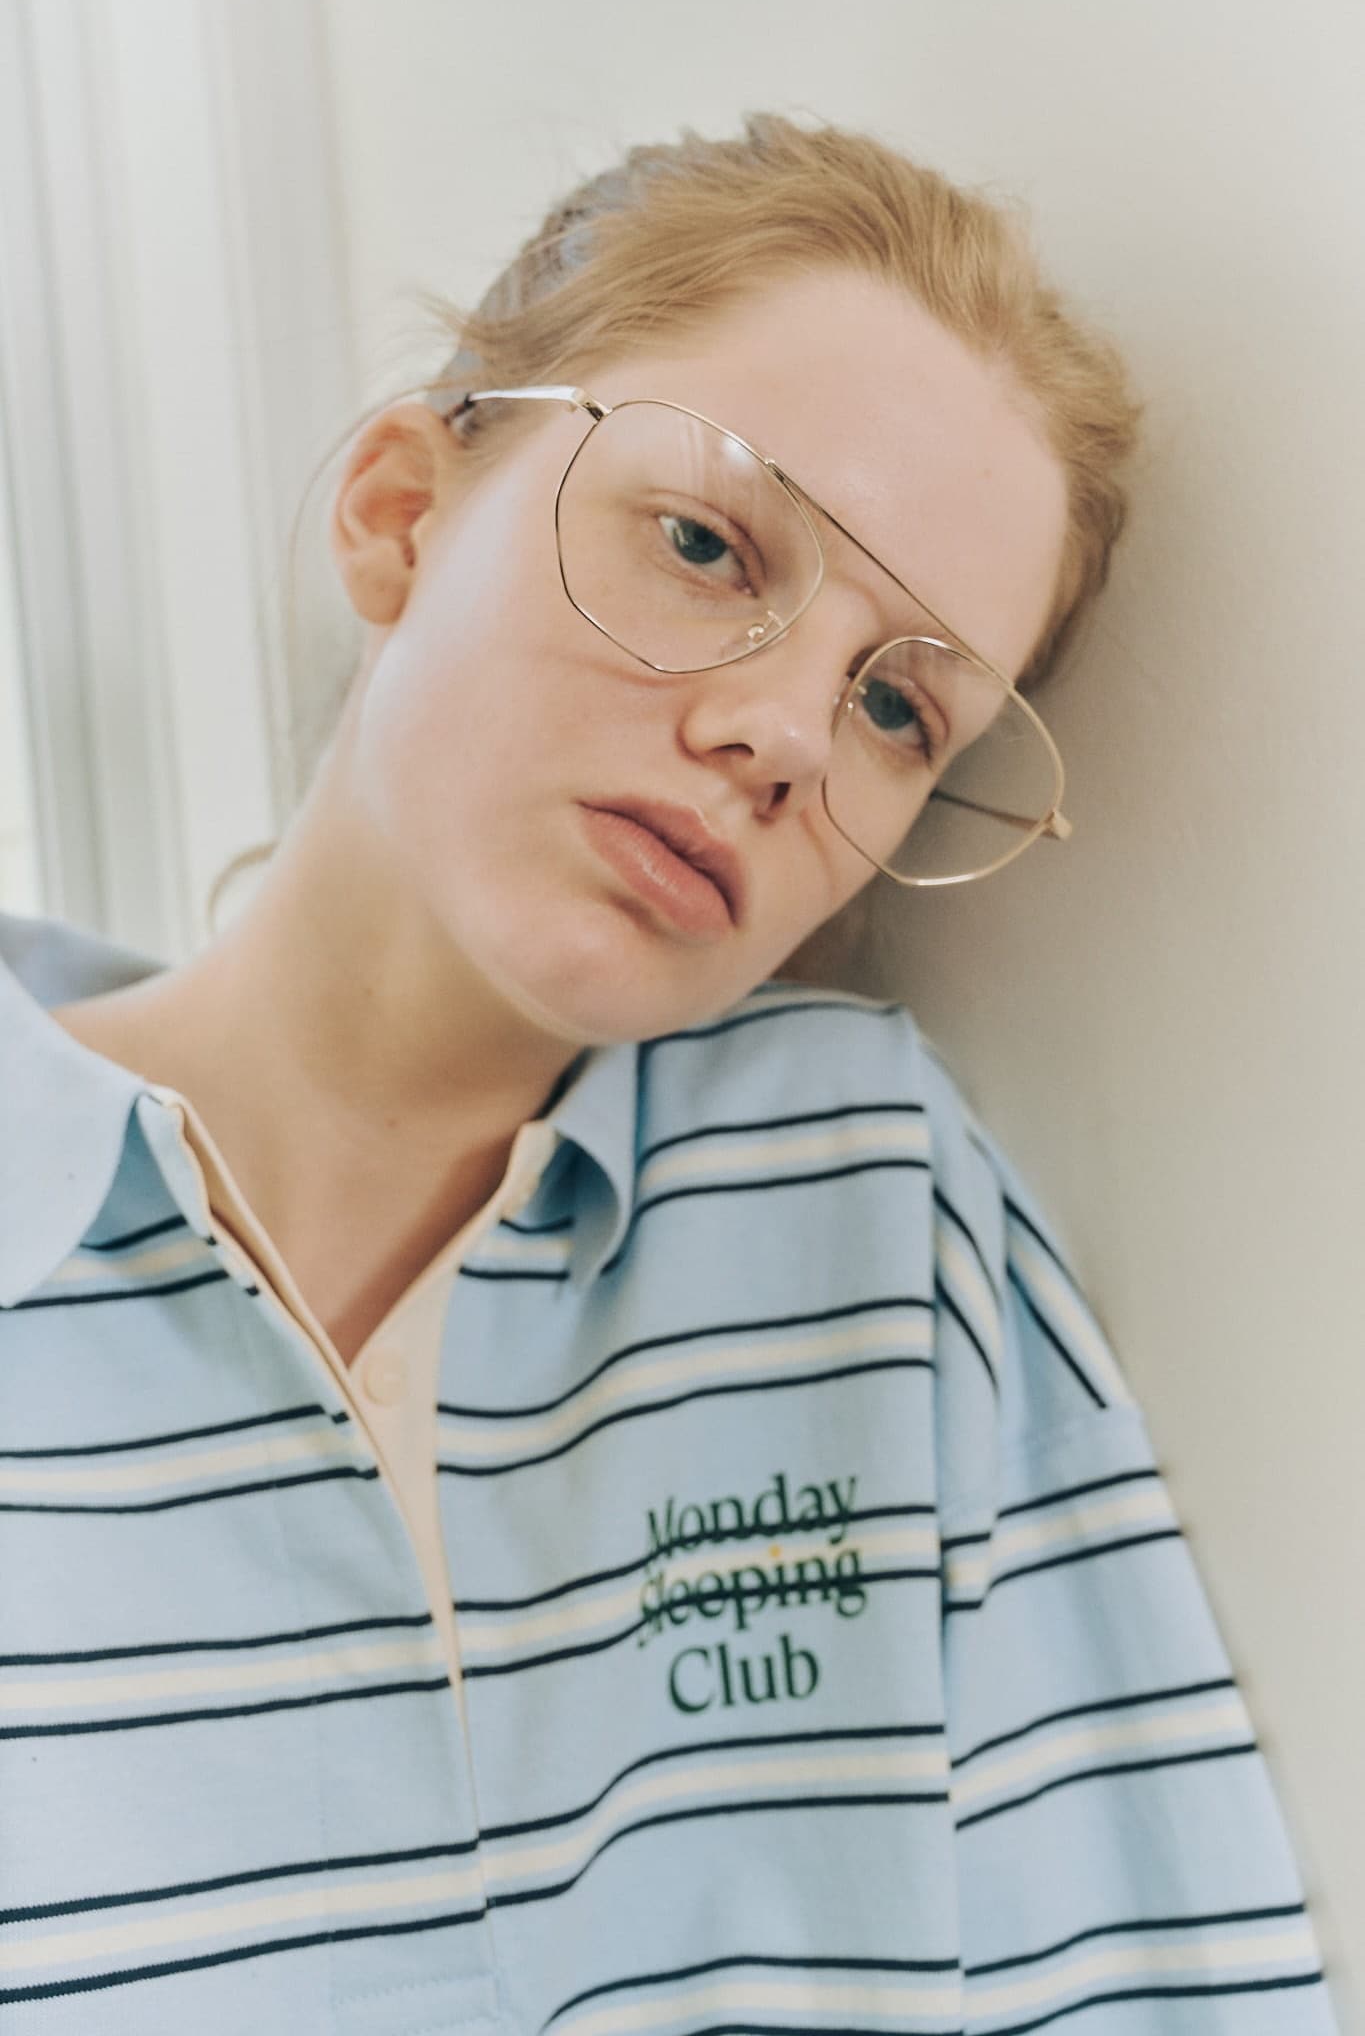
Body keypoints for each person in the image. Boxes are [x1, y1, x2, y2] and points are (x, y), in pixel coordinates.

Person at [0, 114, 1340, 2034]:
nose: (787, 732)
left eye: (900, 705)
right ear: (399, 513)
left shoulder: (863, 1206)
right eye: (707, 545)